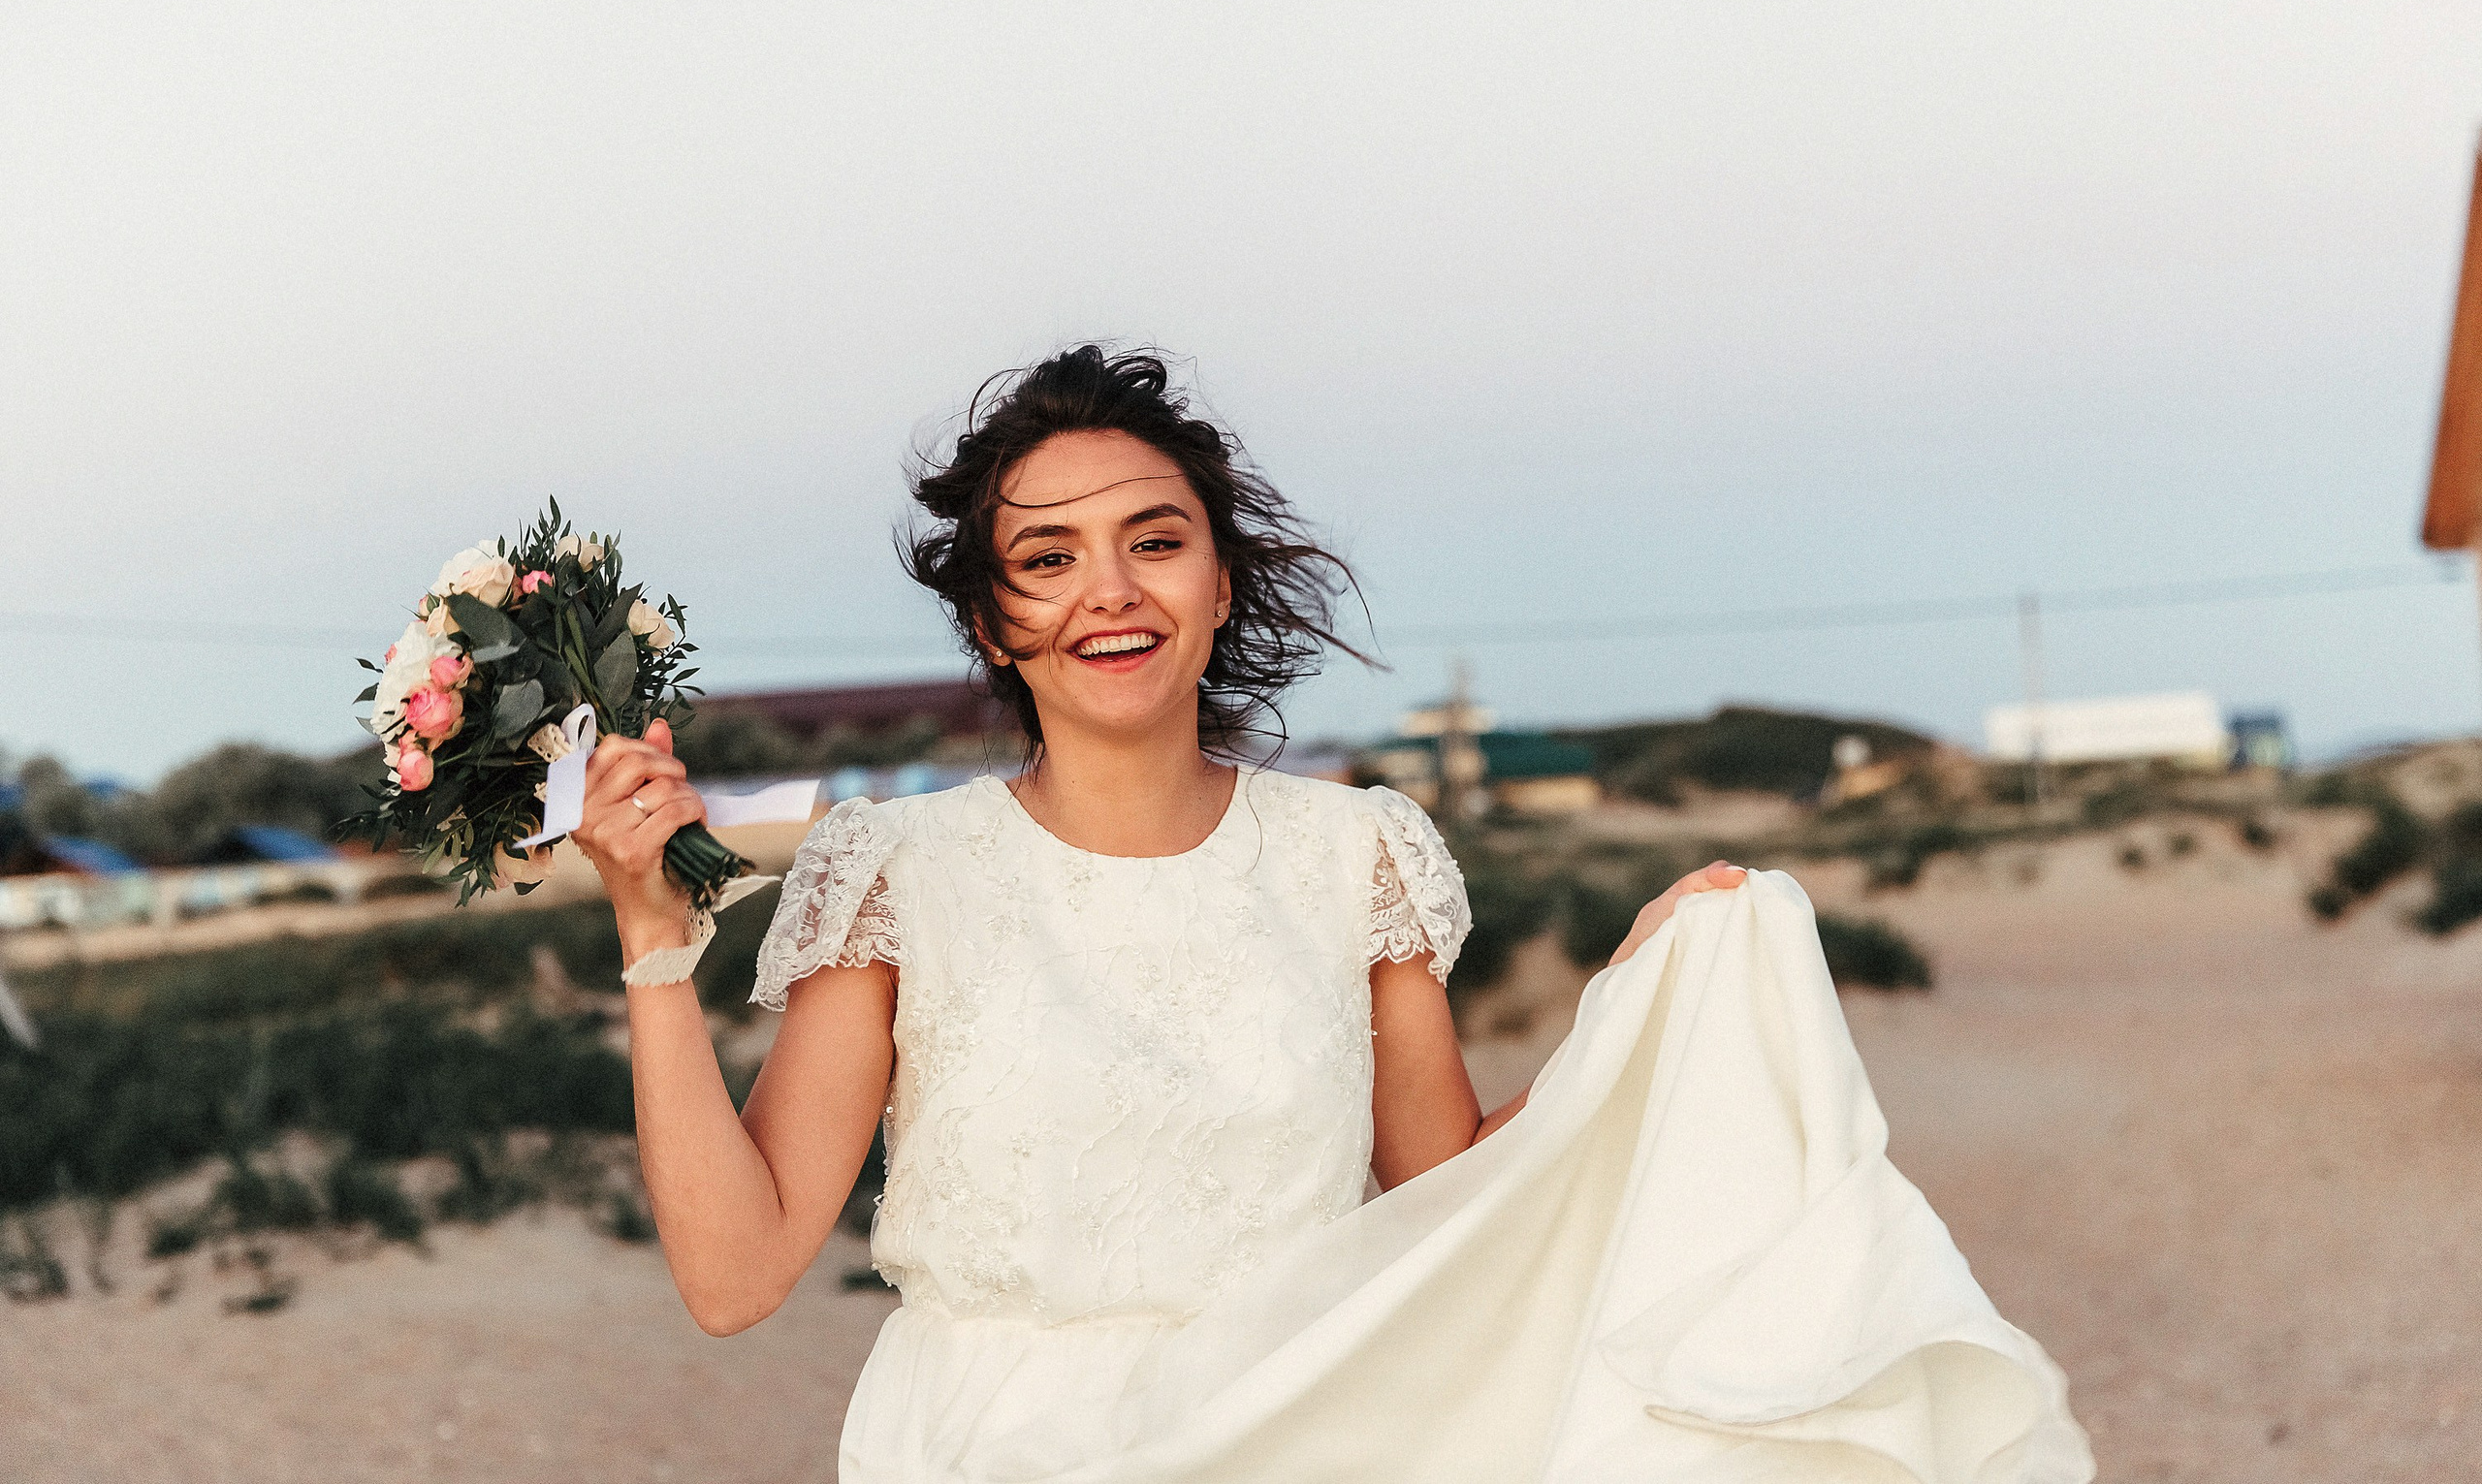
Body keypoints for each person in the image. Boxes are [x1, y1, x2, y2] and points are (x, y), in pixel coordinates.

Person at [572, 347, 2092, 1482]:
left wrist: (1642, 998)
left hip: (1302, 1435)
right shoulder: (898, 873)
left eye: (1154, 540)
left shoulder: (1352, 855)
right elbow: (735, 1275)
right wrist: (654, 942)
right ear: (993, 622)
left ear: (1220, 579)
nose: (1111, 590)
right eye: (1047, 559)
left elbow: (1450, 1201)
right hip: (992, 1446)